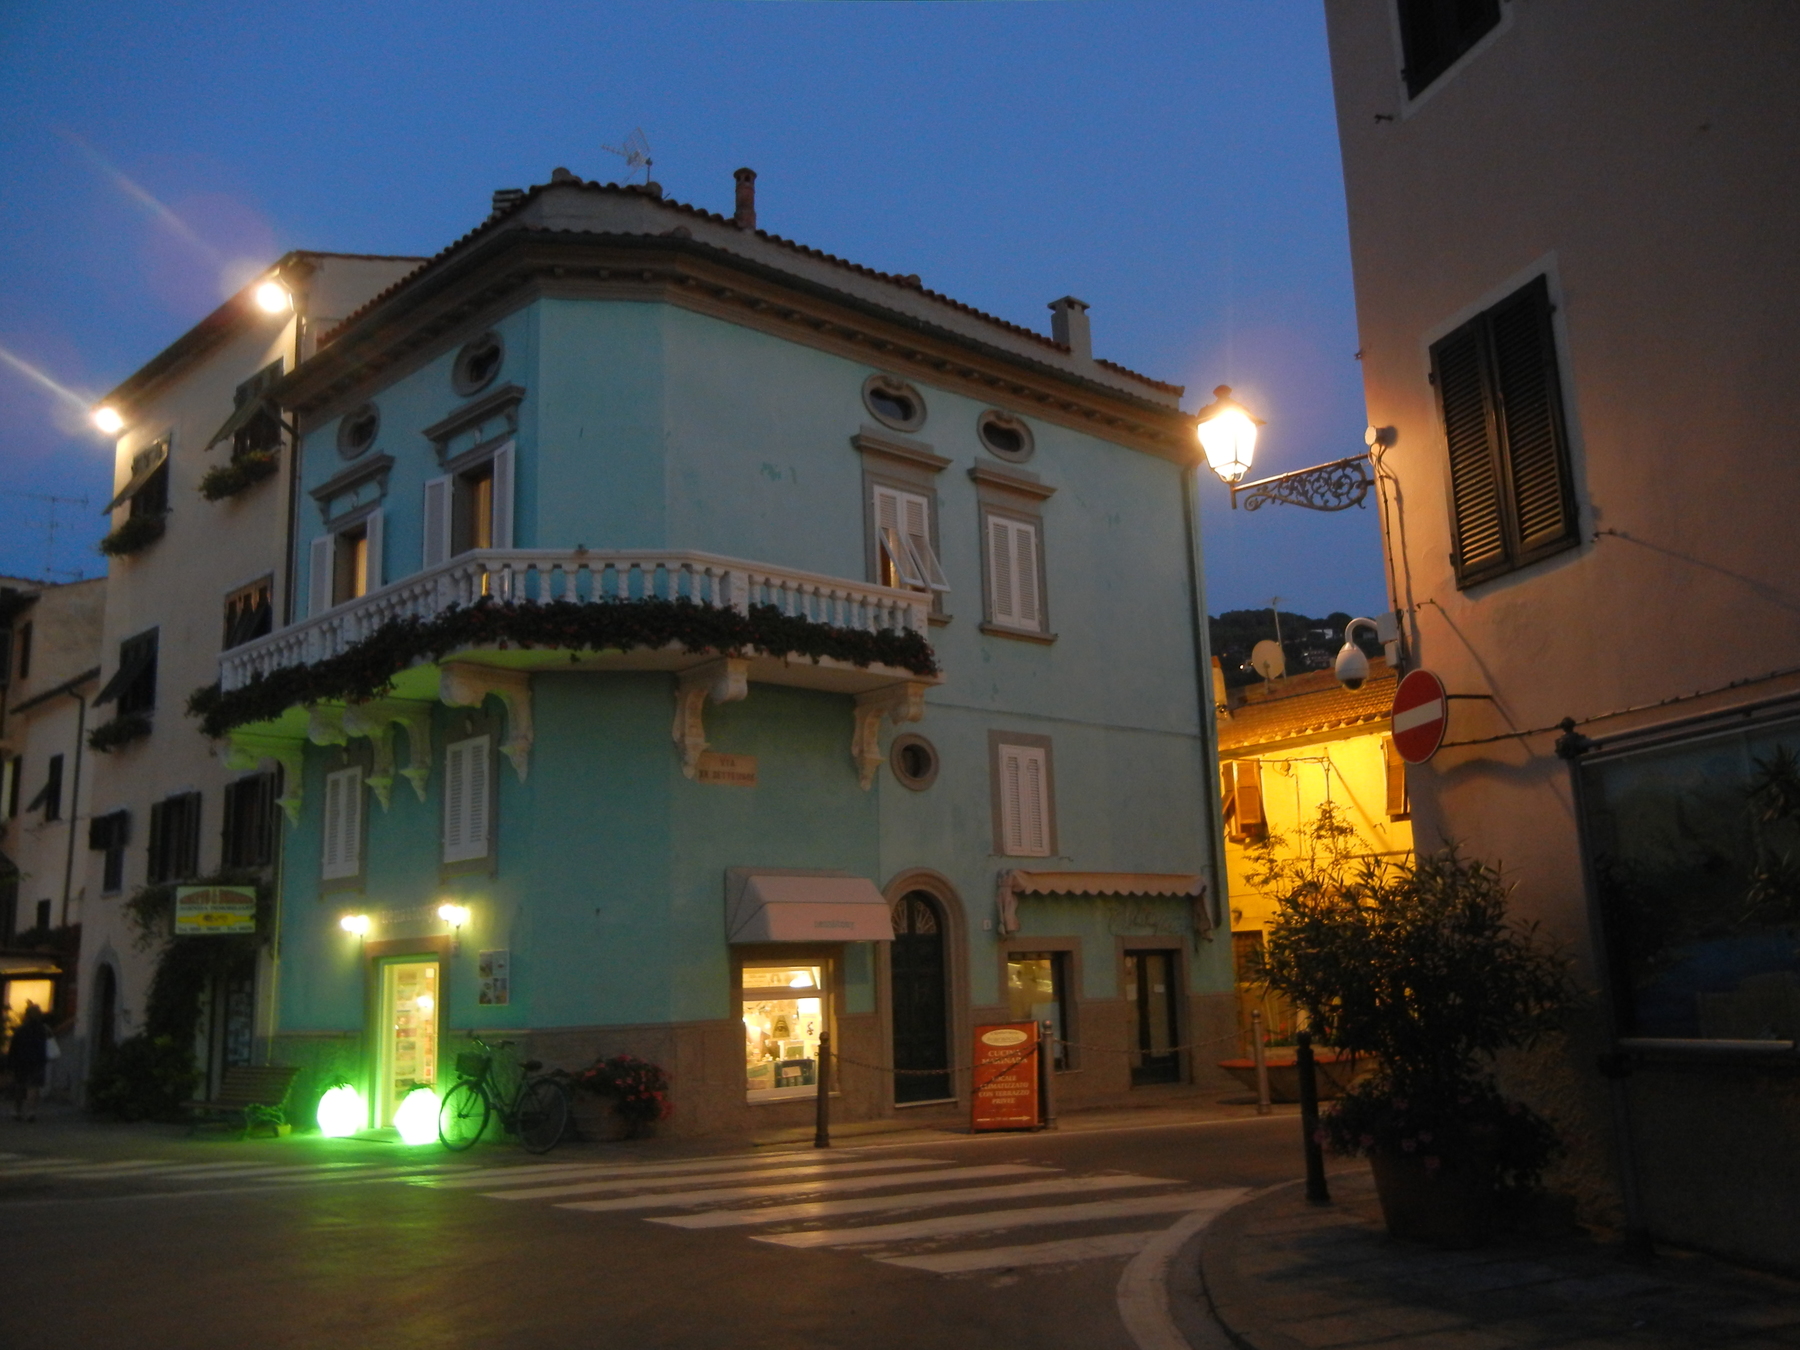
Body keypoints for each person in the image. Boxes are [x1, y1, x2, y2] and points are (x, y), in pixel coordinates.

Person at [7, 1003, 50, 1122]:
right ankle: (31, 1111)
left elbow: (13, 1047)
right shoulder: (42, 1029)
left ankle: (17, 1110)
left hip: (21, 1061)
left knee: (20, 1085)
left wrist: (10, 1063)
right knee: (33, 1086)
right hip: (37, 1060)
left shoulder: (21, 1030)